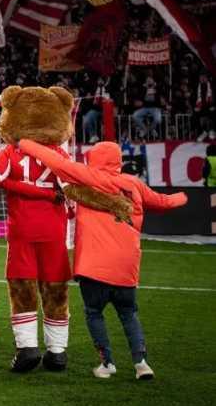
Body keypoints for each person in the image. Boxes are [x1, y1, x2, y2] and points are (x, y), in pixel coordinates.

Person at [18, 139, 187, 380]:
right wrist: (183, 197)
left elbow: (55, 162)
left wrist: (24, 142)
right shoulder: (134, 184)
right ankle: (141, 363)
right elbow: (163, 202)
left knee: (94, 313)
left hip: (93, 266)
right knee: (128, 314)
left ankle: (107, 363)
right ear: (118, 160)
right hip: (126, 268)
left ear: (94, 158)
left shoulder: (88, 176)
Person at [0, 127, 72, 372]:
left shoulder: (10, 151)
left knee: (22, 286)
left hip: (22, 229)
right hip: (54, 230)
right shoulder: (59, 153)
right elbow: (73, 187)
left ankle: (28, 348)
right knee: (55, 287)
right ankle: (57, 352)